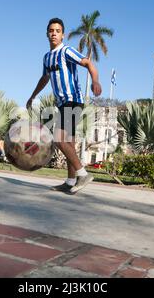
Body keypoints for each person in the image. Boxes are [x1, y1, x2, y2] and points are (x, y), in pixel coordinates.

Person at [26, 18, 102, 195]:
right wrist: (33, 96)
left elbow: (88, 63)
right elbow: (44, 78)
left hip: (73, 99)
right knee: (69, 143)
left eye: (57, 30)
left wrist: (96, 81)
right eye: (51, 30)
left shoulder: (66, 50)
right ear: (47, 33)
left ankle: (82, 174)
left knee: (59, 139)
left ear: (63, 34)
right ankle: (69, 182)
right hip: (62, 102)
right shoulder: (47, 57)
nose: (54, 33)